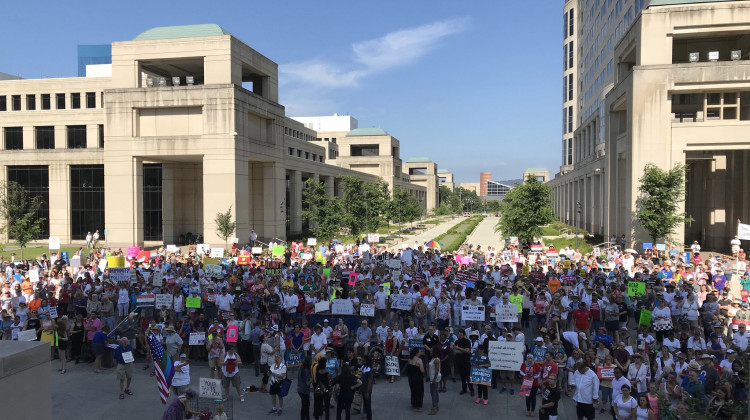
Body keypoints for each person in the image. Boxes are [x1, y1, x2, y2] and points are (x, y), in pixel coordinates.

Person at [312, 354, 331, 420]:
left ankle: (317, 417)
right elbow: (329, 382)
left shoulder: (317, 372)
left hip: (319, 390)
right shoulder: (326, 374)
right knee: (327, 407)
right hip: (326, 391)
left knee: (318, 405)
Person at [407, 347, 425, 412]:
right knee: (419, 392)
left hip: (411, 378)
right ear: (417, 353)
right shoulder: (419, 360)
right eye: (419, 351)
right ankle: (417, 406)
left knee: (413, 391)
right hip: (418, 378)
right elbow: (422, 370)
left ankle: (413, 403)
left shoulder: (409, 359)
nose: (420, 352)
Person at [428, 344, 442, 414]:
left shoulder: (436, 360)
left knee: (433, 392)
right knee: (434, 391)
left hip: (434, 378)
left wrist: (433, 379)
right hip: (433, 377)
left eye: (431, 350)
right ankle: (436, 405)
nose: (430, 351)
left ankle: (435, 407)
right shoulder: (433, 358)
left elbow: (436, 371)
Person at [298, 356, 313, 420]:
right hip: (305, 390)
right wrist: (312, 379)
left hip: (300, 389)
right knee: (305, 406)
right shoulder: (306, 370)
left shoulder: (301, 368)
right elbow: (307, 383)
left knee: (304, 405)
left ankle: (306, 418)